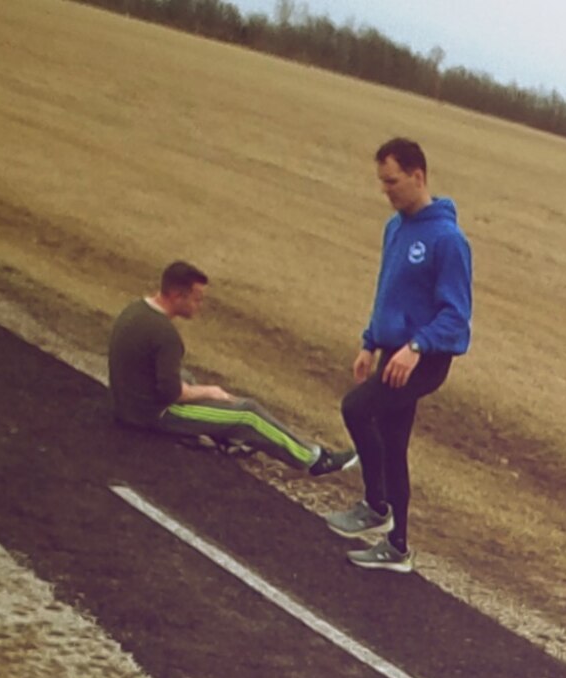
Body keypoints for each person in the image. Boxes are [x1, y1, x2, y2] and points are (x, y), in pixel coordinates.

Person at [326, 138, 473, 576]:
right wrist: (370, 342)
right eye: (381, 182)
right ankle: (398, 547)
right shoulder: (395, 228)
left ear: (418, 176)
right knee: (393, 443)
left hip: (423, 359)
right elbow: (388, 291)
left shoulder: (448, 241)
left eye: (392, 182)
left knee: (356, 408)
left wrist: (415, 347)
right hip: (392, 351)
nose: (385, 191)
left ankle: (376, 504)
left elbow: (456, 316)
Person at [106, 261, 358, 476]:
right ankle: (313, 459)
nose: (199, 306)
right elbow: (171, 394)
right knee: (247, 414)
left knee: (187, 378)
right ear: (177, 295)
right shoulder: (165, 335)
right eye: (196, 299)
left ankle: (227, 439)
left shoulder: (135, 310)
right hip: (150, 414)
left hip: (126, 402)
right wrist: (210, 392)